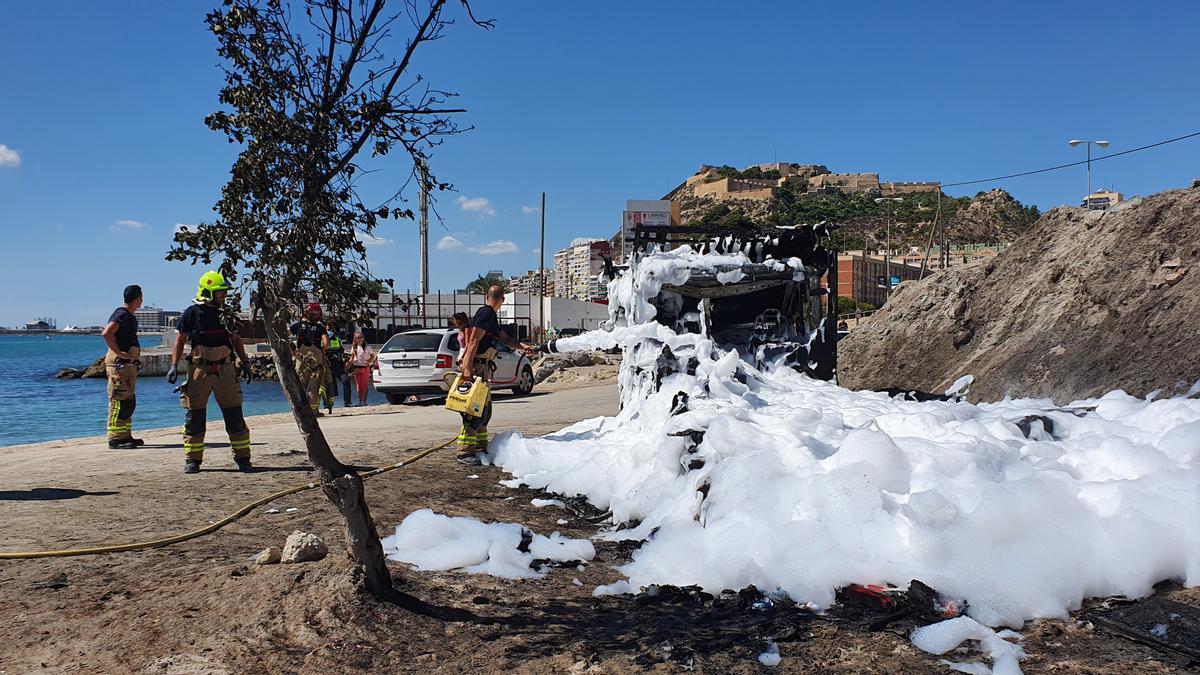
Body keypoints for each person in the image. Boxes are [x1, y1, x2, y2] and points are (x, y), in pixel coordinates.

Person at [167, 271, 254, 474]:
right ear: (208, 291)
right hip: (199, 370)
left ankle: (243, 458)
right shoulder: (192, 313)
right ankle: (193, 460)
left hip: (225, 369)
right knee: (195, 416)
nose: (224, 295)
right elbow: (180, 341)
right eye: (220, 292)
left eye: (224, 292)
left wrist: (246, 362)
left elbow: (236, 340)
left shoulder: (227, 314)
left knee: (234, 415)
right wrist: (174, 366)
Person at [456, 285, 535, 464]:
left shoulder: (490, 316)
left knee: (485, 412)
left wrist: (523, 346)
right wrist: (467, 367)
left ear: (487, 296)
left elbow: (505, 339)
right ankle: (465, 452)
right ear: (503, 300)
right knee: (473, 412)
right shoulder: (486, 314)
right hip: (477, 368)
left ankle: (479, 448)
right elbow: (473, 341)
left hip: (483, 368)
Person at [101, 285, 144, 449]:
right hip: (119, 365)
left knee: (128, 401)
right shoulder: (121, 314)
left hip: (127, 366)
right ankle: (115, 438)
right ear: (138, 298)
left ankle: (125, 435)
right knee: (118, 401)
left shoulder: (129, 316)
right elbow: (107, 333)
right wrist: (118, 352)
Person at [291, 303, 330, 416]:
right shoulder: (320, 328)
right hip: (316, 358)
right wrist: (321, 351)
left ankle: (300, 411)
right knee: (314, 385)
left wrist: (292, 351)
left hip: (301, 358)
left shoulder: (299, 325)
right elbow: (326, 344)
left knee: (300, 384)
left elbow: (285, 334)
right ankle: (314, 411)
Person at [325, 326, 351, 409]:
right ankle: (327, 405)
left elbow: (342, 351)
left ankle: (347, 403)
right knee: (327, 385)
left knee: (346, 380)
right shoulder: (321, 340)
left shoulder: (337, 340)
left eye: (331, 330)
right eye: (327, 330)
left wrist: (342, 357)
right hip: (326, 367)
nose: (329, 331)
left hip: (337, 366)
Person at [347, 332, 377, 406]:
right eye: (358, 338)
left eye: (361, 337)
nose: (360, 339)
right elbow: (352, 357)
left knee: (365, 385)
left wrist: (369, 362)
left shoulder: (367, 347)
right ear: (355, 339)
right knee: (358, 385)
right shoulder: (354, 347)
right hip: (357, 367)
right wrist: (348, 364)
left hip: (365, 367)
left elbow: (373, 356)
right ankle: (360, 401)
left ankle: (364, 401)